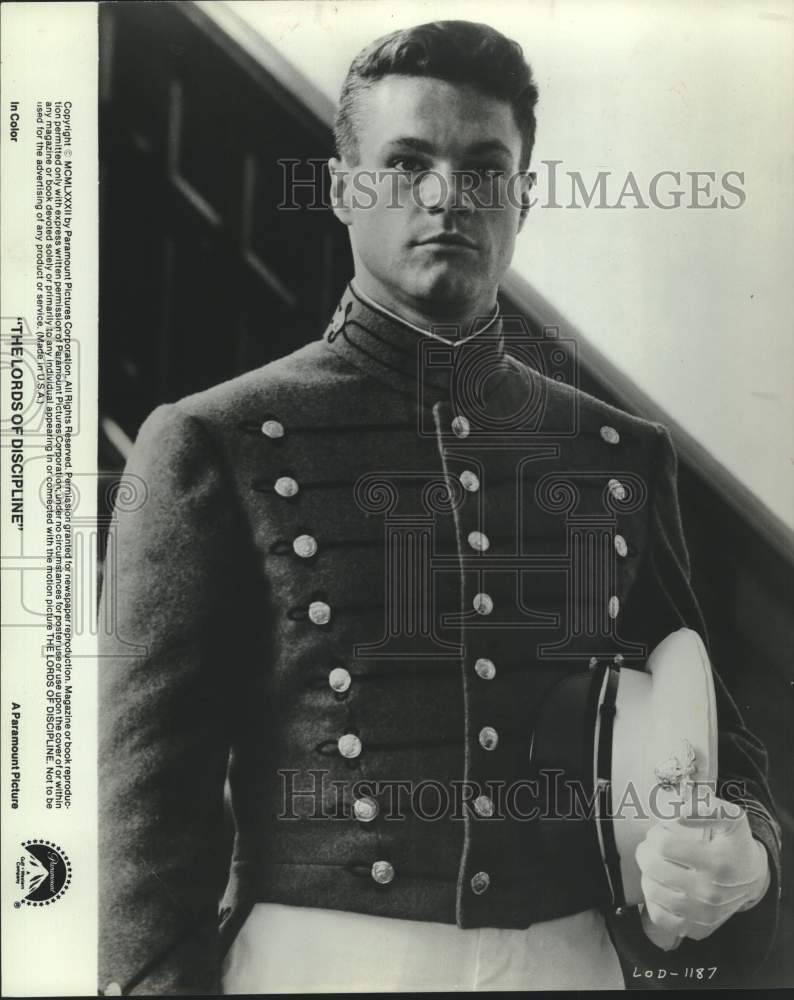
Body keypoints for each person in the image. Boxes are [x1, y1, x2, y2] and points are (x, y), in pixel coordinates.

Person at [98, 20, 781, 994]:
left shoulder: (616, 456)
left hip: (566, 966)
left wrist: (742, 857)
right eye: (404, 161)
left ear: (524, 194)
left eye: (483, 167)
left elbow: (730, 757)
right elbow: (144, 826)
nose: (443, 196)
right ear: (341, 187)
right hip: (315, 969)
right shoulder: (216, 444)